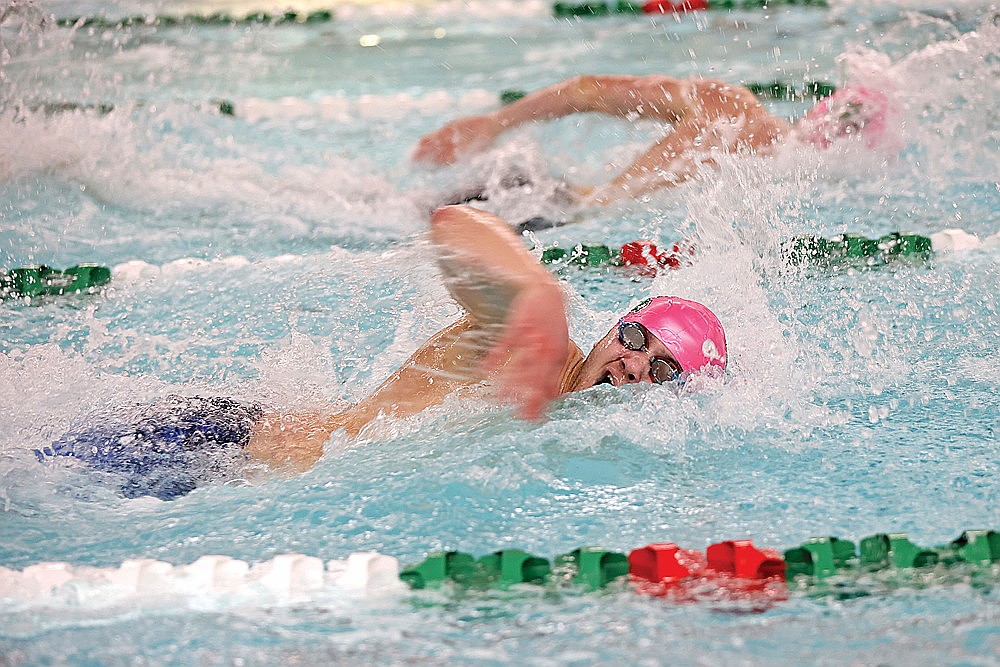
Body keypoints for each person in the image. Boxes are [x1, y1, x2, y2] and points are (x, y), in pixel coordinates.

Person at [38, 205, 728, 500]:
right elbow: (453, 227)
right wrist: (535, 291)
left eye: (664, 369)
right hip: (210, 443)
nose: (637, 362)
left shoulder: (573, 444)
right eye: (639, 339)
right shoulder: (530, 346)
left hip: (229, 478)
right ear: (617, 325)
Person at [413, 75, 899, 207]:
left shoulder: (728, 99)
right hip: (552, 208)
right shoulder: (778, 171)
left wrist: (497, 123)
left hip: (536, 192)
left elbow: (587, 89)